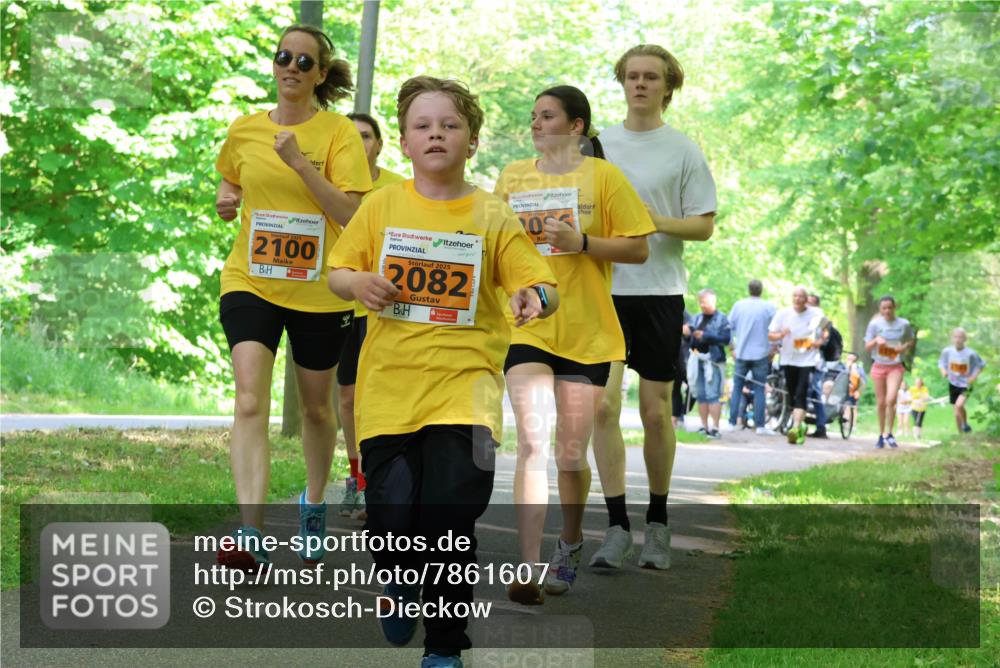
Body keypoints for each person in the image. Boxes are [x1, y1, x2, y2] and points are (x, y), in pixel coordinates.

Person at [327, 76, 559, 667]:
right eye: (423, 126)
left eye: (450, 125)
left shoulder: (490, 213)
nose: (436, 134)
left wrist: (535, 297)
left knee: (452, 517)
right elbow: (337, 274)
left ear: (472, 141)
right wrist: (359, 283)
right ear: (403, 142)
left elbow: (538, 280)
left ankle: (446, 648)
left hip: (466, 390)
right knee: (390, 518)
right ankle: (399, 581)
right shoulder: (382, 205)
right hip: (389, 390)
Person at [213, 25, 372, 571]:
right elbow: (230, 180)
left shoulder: (337, 135)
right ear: (274, 64)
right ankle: (250, 532)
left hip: (320, 292)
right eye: (284, 57)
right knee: (250, 399)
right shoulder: (245, 129)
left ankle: (313, 500)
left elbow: (352, 214)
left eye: (305, 62)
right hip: (250, 280)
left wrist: (300, 164)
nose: (292, 67)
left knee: (314, 408)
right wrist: (227, 200)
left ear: (320, 75)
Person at [494, 85, 652, 601]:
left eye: (547, 116)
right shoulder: (513, 177)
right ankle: (529, 566)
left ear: (576, 127)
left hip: (588, 335)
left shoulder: (602, 177)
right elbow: (492, 245)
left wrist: (581, 243)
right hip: (529, 326)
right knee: (533, 443)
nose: (536, 124)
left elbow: (639, 249)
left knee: (568, 454)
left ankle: (569, 541)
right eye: (533, 115)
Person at [593, 43, 717, 573]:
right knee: (601, 407)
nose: (640, 84)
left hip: (660, 292)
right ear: (622, 82)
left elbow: (704, 225)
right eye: (632, 76)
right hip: (601, 290)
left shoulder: (683, 149)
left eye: (652, 77)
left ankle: (659, 524)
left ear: (669, 86)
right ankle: (616, 527)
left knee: (653, 411)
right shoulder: (595, 146)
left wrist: (652, 220)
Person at [335, 112, 407, 521]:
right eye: (350, 137)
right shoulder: (327, 182)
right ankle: (355, 476)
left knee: (380, 393)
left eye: (365, 136)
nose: (358, 143)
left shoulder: (396, 187)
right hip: (341, 304)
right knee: (347, 396)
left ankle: (380, 483)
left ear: (379, 144)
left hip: (385, 308)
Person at [768, 287, 825, 445]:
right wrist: (781, 335)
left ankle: (795, 427)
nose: (798, 299)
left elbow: (826, 331)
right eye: (795, 296)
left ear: (806, 299)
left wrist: (818, 342)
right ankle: (801, 426)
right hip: (788, 359)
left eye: (801, 296)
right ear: (792, 298)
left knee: (801, 393)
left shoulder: (816, 313)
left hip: (807, 360)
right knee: (792, 394)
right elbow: (770, 335)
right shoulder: (783, 313)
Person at [864, 295, 915, 449]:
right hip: (879, 366)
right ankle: (881, 434)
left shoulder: (903, 324)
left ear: (894, 308)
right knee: (881, 402)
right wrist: (875, 341)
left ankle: (890, 433)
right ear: (880, 309)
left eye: (889, 307)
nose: (887, 311)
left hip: (895, 366)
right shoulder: (874, 325)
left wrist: (903, 347)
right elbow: (867, 347)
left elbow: (910, 340)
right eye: (884, 308)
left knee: (891, 399)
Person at [728, 279, 777, 436]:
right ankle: (760, 425)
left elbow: (728, 328)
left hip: (741, 353)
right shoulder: (768, 307)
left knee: (737, 387)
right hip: (761, 354)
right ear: (761, 290)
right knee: (760, 388)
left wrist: (732, 348)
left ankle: (732, 421)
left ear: (749, 289)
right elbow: (776, 330)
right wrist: (773, 350)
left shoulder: (739, 305)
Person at [686, 288, 731, 438]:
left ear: (713, 301)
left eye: (705, 302)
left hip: (714, 361)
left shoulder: (722, 319)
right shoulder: (697, 318)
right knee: (700, 394)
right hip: (696, 359)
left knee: (713, 394)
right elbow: (689, 336)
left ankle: (716, 428)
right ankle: (703, 426)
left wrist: (706, 335)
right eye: (700, 302)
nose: (702, 305)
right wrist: (689, 334)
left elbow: (725, 339)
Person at [805, 294, 843, 438]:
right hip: (805, 361)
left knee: (812, 391)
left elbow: (823, 342)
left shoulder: (822, 322)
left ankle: (819, 426)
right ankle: (819, 426)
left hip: (816, 362)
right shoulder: (805, 319)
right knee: (812, 392)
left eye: (810, 303)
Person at [938, 327, 986, 434]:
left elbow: (981, 365)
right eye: (955, 337)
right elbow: (941, 362)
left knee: (959, 405)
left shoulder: (970, 353)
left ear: (965, 339)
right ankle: (960, 434)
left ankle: (964, 424)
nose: (958, 340)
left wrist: (974, 376)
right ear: (951, 338)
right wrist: (943, 371)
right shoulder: (947, 351)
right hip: (953, 382)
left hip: (966, 384)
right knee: (956, 412)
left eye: (960, 337)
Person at [672, 310, 694, 429]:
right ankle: (677, 416)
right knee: (675, 390)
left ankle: (683, 410)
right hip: (672, 359)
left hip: (685, 359)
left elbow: (689, 330)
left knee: (693, 388)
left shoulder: (683, 313)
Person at [844, 351, 867, 429]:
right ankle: (845, 423)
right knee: (845, 406)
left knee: (853, 407)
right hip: (843, 390)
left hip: (853, 391)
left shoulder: (859, 369)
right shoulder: (843, 366)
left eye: (851, 355)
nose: (849, 356)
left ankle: (853, 425)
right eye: (849, 355)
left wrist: (858, 391)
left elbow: (863, 382)